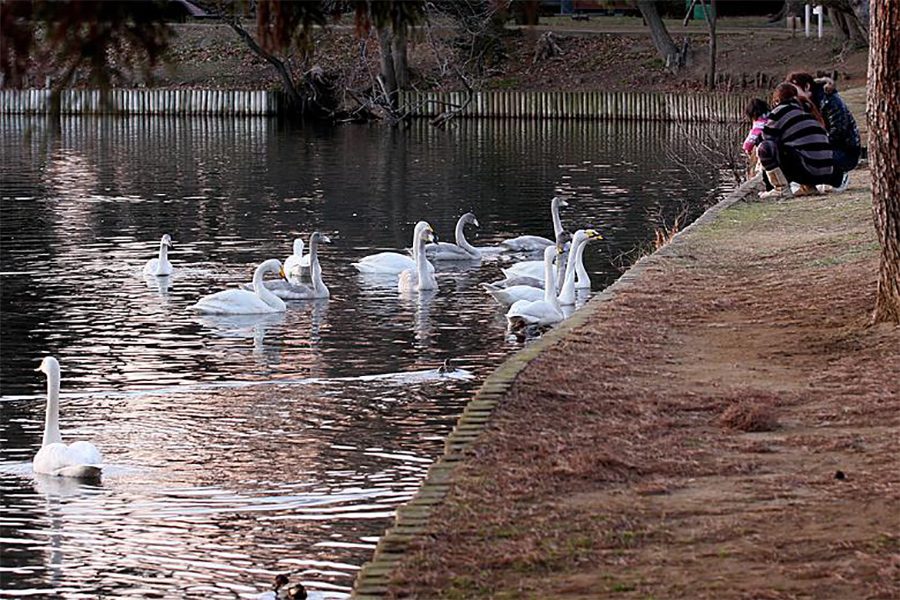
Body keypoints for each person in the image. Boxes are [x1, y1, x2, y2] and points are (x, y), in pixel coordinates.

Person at [786, 71, 860, 192]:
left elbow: (838, 132)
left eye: (795, 90)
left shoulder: (829, 101)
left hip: (844, 150)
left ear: (807, 87)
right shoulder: (803, 105)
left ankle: (838, 178)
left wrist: (814, 146)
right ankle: (807, 184)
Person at [757, 82, 833, 199]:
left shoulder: (779, 112)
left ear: (776, 100)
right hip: (825, 172)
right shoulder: (808, 113)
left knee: (765, 148)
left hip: (807, 169)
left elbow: (765, 138)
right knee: (800, 145)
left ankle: (781, 188)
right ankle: (809, 187)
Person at [742, 98, 770, 179]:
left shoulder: (760, 123)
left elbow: (749, 142)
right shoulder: (772, 117)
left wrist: (746, 148)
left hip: (764, 154)